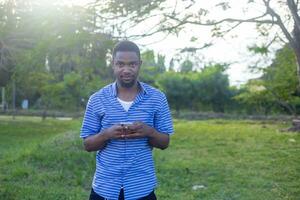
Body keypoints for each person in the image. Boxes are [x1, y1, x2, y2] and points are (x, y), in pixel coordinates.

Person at [80, 40, 174, 200]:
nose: (126, 70)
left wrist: (149, 132)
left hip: (141, 188)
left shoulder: (157, 98)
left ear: (140, 64)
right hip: (105, 189)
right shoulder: (97, 99)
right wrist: (107, 134)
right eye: (120, 64)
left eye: (132, 64)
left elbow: (164, 143)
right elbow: (88, 145)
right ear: (113, 64)